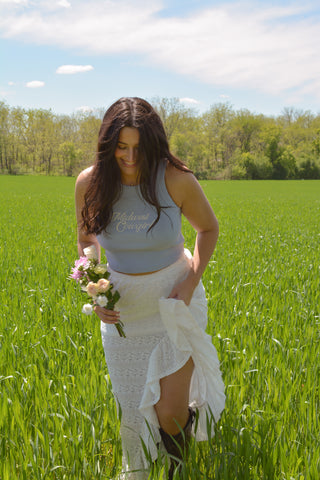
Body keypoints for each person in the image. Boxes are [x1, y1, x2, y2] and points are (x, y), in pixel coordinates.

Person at [75, 97, 225, 479]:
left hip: (174, 300)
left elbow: (208, 228)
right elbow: (86, 238)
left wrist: (192, 281)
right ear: (108, 145)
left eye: (138, 148)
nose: (128, 157)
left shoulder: (175, 179)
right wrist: (95, 287)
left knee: (170, 413)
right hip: (123, 311)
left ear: (154, 144)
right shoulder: (90, 182)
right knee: (132, 409)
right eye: (120, 147)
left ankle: (179, 450)